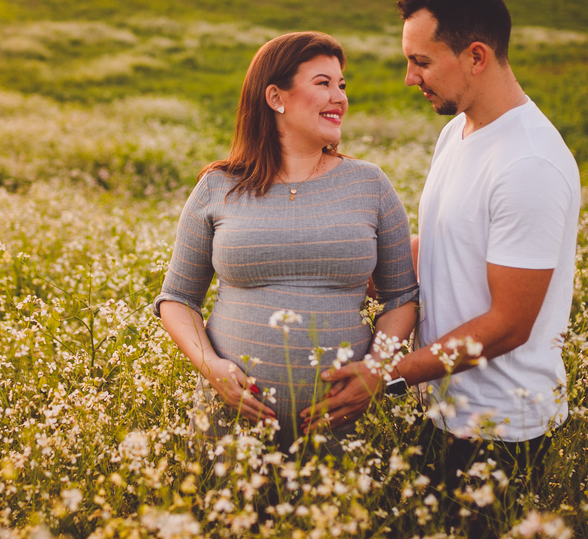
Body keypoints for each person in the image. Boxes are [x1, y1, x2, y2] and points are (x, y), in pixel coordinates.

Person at [304, 0, 581, 539]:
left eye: (421, 62)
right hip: (443, 408)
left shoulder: (529, 163)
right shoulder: (458, 130)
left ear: (476, 56)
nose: (410, 78)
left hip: (502, 431)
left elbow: (508, 324)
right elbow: (439, 247)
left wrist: (387, 374)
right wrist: (351, 266)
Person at [154, 31, 420, 453]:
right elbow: (177, 298)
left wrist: (375, 369)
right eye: (323, 83)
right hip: (231, 430)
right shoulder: (218, 186)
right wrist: (211, 367)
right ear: (275, 97)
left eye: (342, 85)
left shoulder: (369, 184)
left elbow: (402, 297)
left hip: (344, 427)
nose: (340, 97)